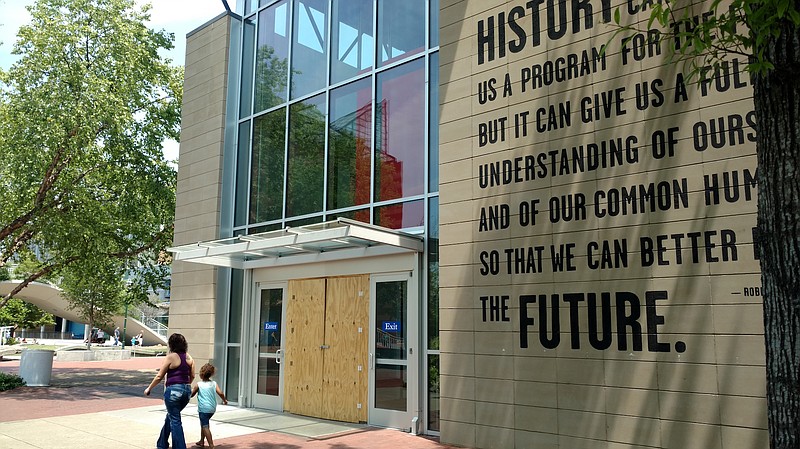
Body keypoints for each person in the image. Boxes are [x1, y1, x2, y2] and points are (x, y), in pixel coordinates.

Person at [144, 333, 195, 449]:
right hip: (186, 391)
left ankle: (180, 447)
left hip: (173, 391)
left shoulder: (170, 357)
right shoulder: (190, 358)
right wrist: (185, 386)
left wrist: (149, 388)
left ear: (171, 344)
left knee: (175, 420)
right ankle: (162, 443)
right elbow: (192, 376)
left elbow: (159, 376)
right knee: (172, 416)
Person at [191, 363, 227, 448]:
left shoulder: (199, 384)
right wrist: (224, 400)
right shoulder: (214, 383)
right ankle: (201, 441)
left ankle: (211, 445)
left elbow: (191, 395)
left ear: (201, 374)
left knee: (205, 426)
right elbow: (221, 393)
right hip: (212, 408)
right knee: (203, 423)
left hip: (203, 409)